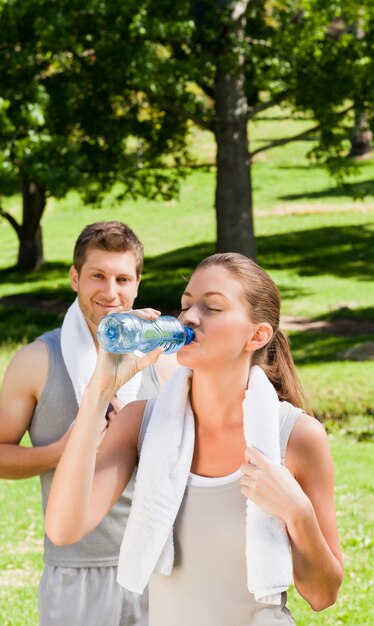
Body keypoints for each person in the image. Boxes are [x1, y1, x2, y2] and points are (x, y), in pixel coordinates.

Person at [45, 252, 344, 626]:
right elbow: (63, 528)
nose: (187, 317)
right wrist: (99, 391)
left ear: (257, 335)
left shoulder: (296, 436)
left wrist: (297, 513)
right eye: (186, 305)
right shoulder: (142, 422)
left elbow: (322, 595)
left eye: (211, 308)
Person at [0, 221, 178, 626]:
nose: (110, 292)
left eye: (122, 278)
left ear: (137, 284)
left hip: (158, 568)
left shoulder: (163, 365)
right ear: (75, 278)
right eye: (97, 276)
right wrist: (56, 453)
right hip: (76, 572)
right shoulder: (36, 362)